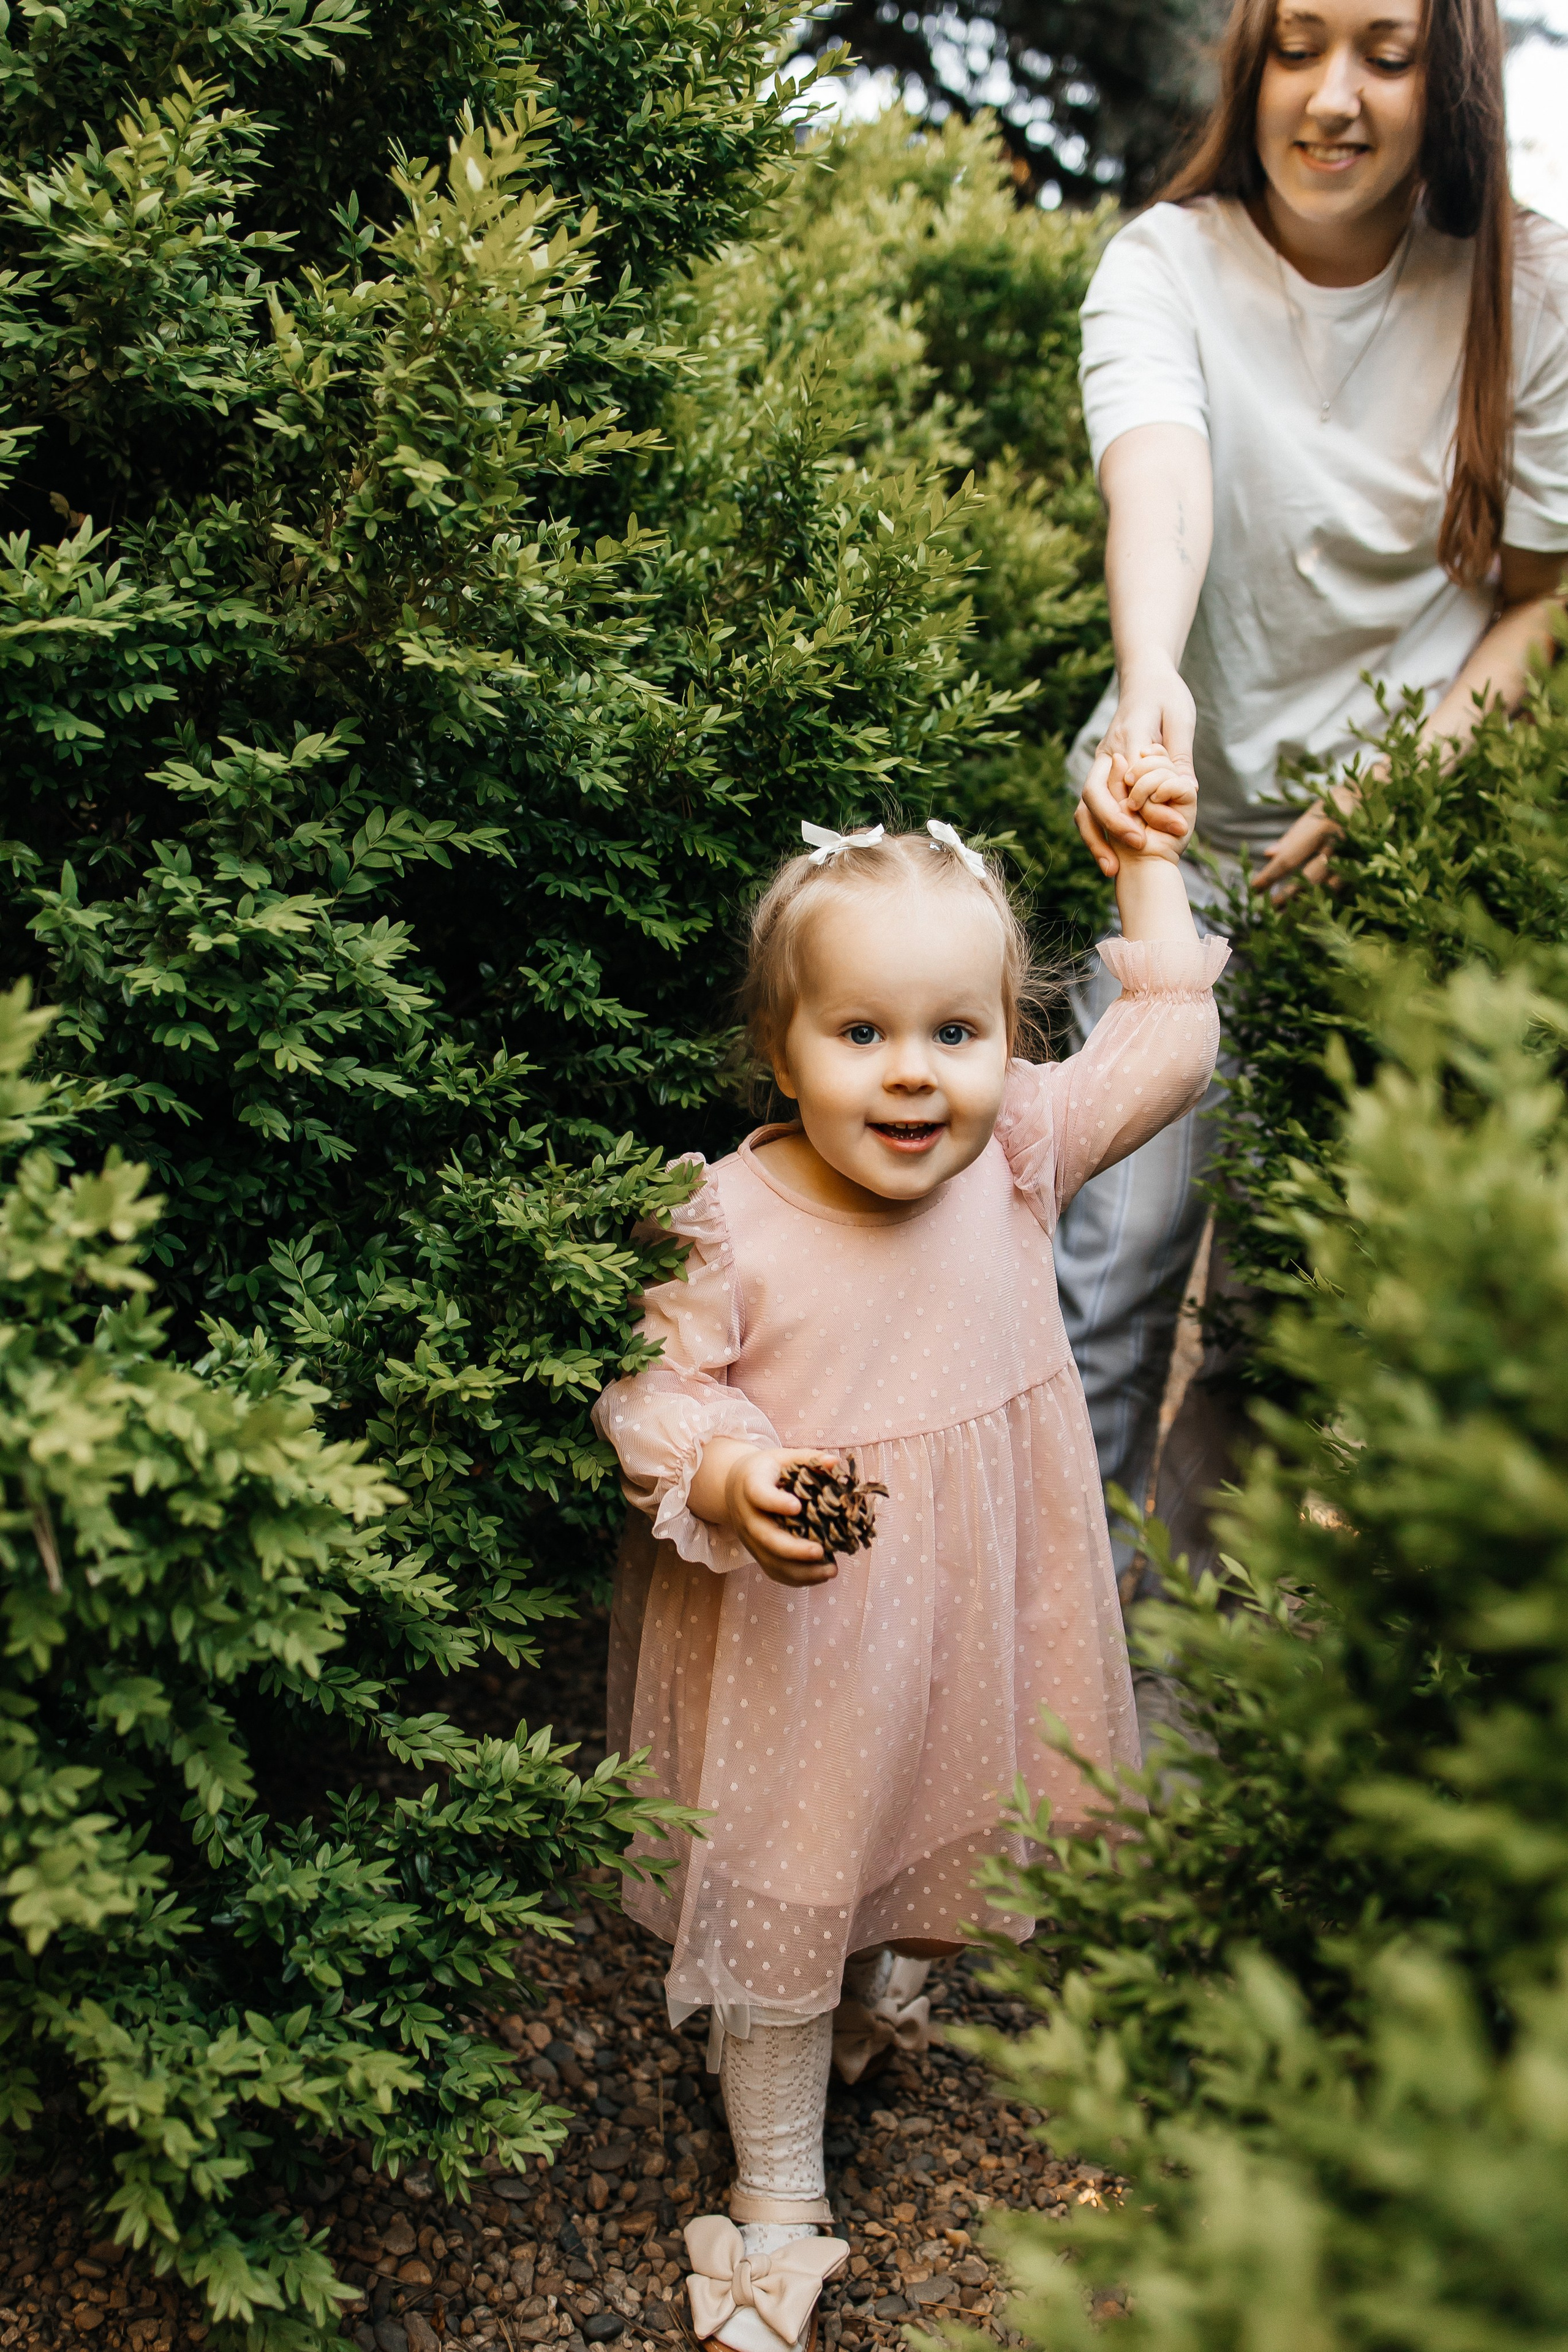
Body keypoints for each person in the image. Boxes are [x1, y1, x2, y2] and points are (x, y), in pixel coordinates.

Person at [592, 783, 1227, 2352]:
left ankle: (880, 1978)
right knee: (791, 1877)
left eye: (956, 1032)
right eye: (859, 1034)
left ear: (1009, 1043)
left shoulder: (1016, 1150)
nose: (913, 1076)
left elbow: (1167, 1048)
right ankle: (780, 2193)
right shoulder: (729, 1217)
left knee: (931, 1794)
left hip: (970, 1598)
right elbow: (656, 1389)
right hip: (810, 1620)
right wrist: (736, 1476)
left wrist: (1145, 865)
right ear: (777, 1046)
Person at [1054, 0, 1568, 1591]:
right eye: (1297, 48)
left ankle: (1215, 1722)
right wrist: (1153, 680)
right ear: (1251, 67)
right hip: (1182, 837)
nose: (1332, 97)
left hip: (1387, 860)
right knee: (1120, 1257)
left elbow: (1546, 596)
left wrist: (1415, 778)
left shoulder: (1525, 286)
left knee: (1291, 1300)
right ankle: (1060, 1679)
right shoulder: (1168, 265)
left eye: (1386, 55)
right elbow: (1164, 481)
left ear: (1451, 84)